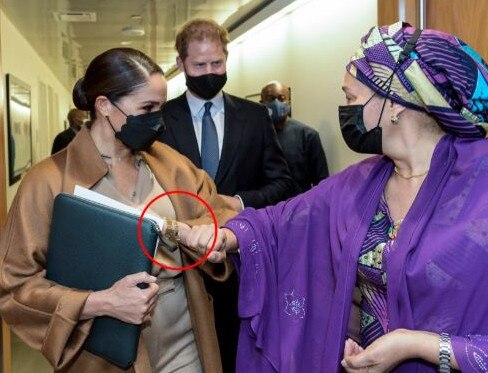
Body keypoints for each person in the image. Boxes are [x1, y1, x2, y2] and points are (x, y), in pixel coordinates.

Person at [186, 22, 488, 372]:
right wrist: (226, 236)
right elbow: (280, 221)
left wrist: (416, 345)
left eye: (351, 97)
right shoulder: (362, 181)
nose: (344, 108)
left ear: (395, 102)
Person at [0, 47, 238, 373]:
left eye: (161, 107)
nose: (158, 119)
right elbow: (14, 288)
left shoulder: (169, 163)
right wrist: (100, 302)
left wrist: (211, 234)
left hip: (186, 344)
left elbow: (222, 213)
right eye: (147, 108)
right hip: (103, 357)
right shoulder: (47, 182)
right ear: (104, 107)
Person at [158, 18, 294, 372]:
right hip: (180, 263)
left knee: (237, 353)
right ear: (181, 64)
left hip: (242, 262)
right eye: (199, 65)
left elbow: (282, 183)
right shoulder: (160, 119)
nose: (209, 72)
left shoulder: (254, 116)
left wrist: (239, 202)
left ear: (226, 59)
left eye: (216, 63)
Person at [260, 80, 329, 195]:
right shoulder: (252, 136)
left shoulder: (308, 136)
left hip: (297, 209)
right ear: (261, 103)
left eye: (281, 98)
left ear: (289, 102)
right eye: (271, 98)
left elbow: (322, 183)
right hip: (263, 209)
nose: (276, 103)